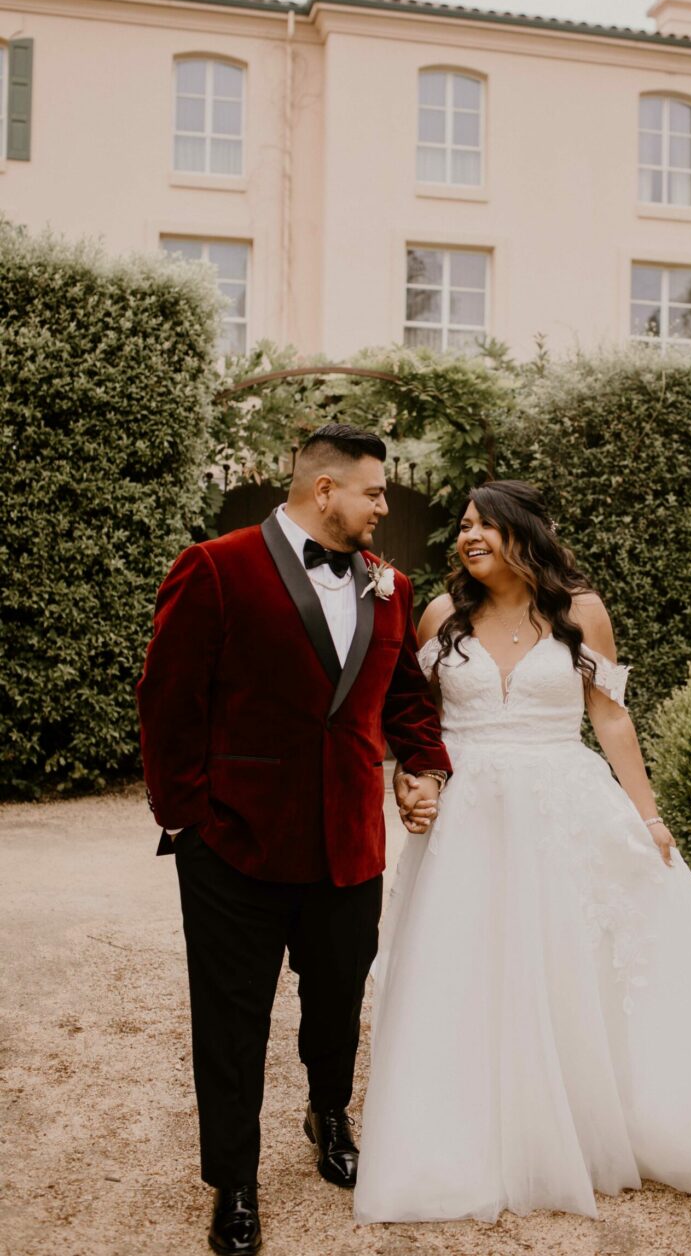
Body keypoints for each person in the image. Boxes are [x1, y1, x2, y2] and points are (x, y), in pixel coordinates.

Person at [354, 479, 691, 1224]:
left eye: (484, 526)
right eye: (463, 526)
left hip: (562, 802)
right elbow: (413, 720)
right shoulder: (440, 614)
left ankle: (583, 1115)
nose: (469, 537)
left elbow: (611, 720)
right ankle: (470, 1125)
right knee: (467, 960)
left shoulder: (581, 614)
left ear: (522, 534)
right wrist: (415, 780)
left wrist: (648, 816)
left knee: (569, 959)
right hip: (467, 816)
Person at [136, 424, 451, 1256]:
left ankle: (328, 1114)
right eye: (375, 492)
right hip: (234, 842)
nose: (385, 506)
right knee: (231, 1019)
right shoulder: (214, 565)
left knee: (339, 998)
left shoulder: (392, 585)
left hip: (349, 841)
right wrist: (189, 818)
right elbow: (167, 696)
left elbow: (403, 696)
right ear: (325, 492)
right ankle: (234, 1182)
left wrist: (423, 761)